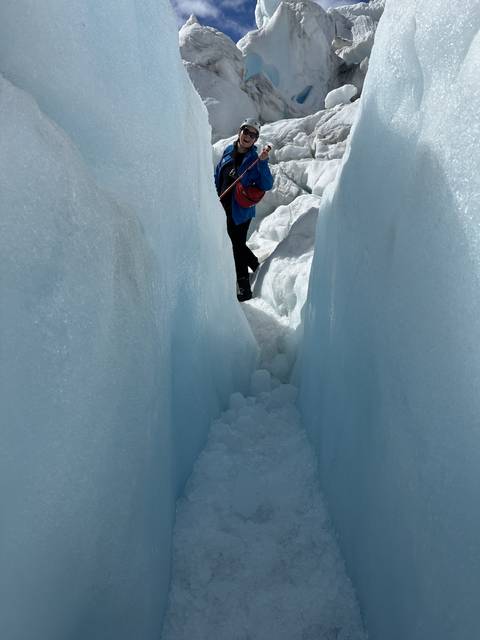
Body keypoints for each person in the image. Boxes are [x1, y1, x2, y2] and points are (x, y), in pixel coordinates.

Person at [215, 118, 273, 302]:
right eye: (246, 131)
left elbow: (267, 184)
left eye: (253, 134)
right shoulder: (228, 151)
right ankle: (255, 264)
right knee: (235, 243)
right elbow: (218, 174)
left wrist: (263, 163)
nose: (248, 136)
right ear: (240, 131)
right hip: (223, 207)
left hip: (241, 212)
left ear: (256, 139)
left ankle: (244, 289)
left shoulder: (256, 160)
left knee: (235, 248)